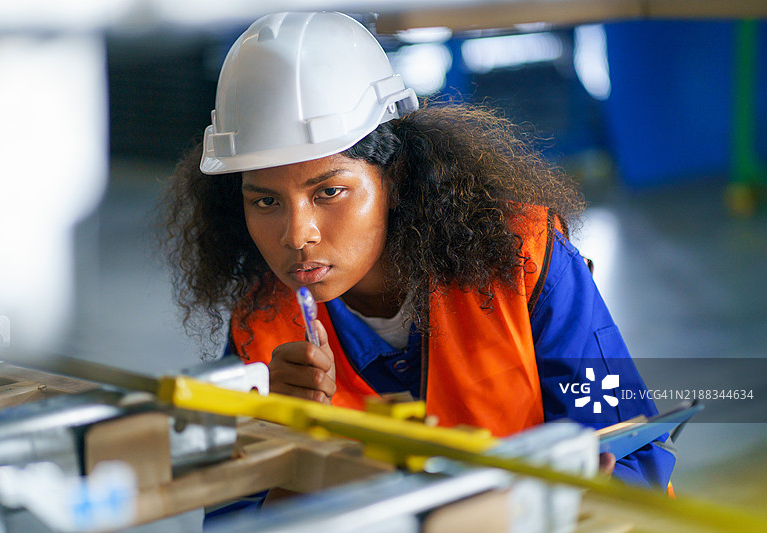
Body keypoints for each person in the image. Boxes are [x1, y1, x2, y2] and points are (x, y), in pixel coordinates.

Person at [161, 11, 675, 490]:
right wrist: (284, 446)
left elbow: (633, 452)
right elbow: (236, 514)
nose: (297, 236)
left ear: (395, 175)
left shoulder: (521, 258)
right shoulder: (263, 328)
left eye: (329, 192)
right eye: (266, 201)